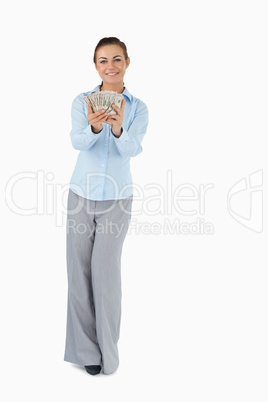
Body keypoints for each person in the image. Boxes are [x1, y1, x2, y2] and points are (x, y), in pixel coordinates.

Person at [63, 37, 149, 375]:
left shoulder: (139, 107)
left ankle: (107, 353)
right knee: (78, 274)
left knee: (106, 273)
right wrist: (96, 126)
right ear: (95, 65)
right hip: (80, 196)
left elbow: (132, 150)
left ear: (127, 61)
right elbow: (77, 141)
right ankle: (87, 354)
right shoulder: (82, 101)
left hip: (117, 199)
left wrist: (117, 130)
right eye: (102, 60)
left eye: (116, 59)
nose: (110, 66)